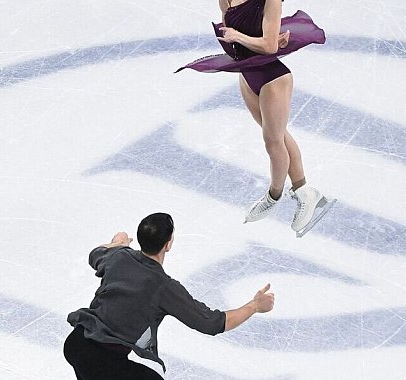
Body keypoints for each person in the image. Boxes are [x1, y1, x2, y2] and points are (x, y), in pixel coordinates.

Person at [177, 0, 329, 233]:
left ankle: (274, 195)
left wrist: (243, 37)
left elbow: (266, 47)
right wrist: (251, 39)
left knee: (273, 142)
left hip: (274, 79)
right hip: (248, 75)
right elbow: (236, 43)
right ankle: (306, 192)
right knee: (279, 136)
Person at [64, 213, 275, 379]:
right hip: (103, 360)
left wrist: (117, 243)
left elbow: (96, 254)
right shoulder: (164, 288)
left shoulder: (118, 257)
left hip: (76, 345)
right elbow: (212, 323)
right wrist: (254, 306)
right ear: (168, 244)